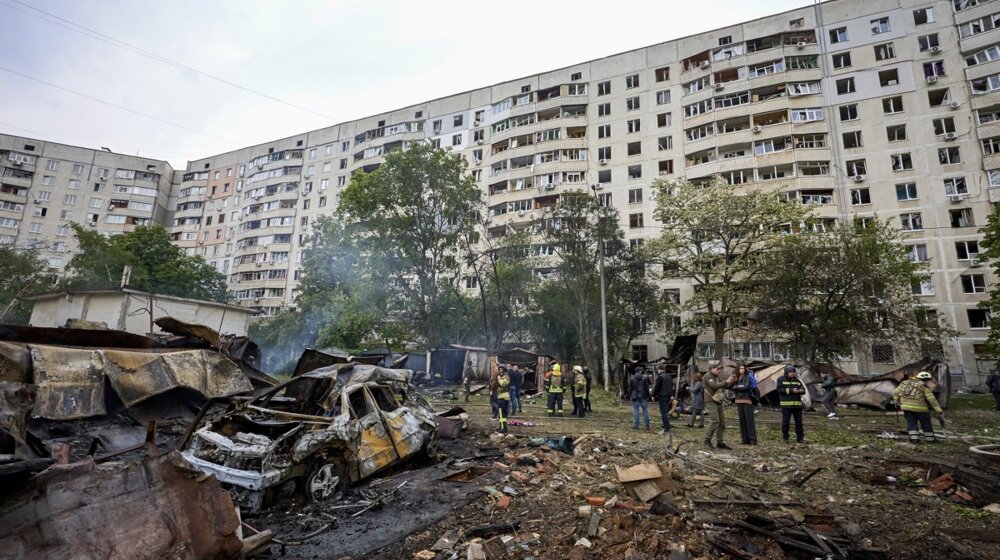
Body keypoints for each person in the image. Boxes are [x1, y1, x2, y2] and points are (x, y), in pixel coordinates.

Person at [893, 371, 944, 443]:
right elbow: (931, 399)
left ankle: (914, 440)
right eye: (927, 380)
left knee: (911, 423)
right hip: (921, 409)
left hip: (906, 408)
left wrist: (896, 401)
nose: (927, 382)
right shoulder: (924, 386)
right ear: (925, 379)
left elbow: (896, 392)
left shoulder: (904, 383)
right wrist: (939, 410)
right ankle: (930, 440)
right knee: (926, 423)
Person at [703, 364, 734, 449]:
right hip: (710, 400)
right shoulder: (707, 376)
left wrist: (731, 380)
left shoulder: (716, 376)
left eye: (720, 369)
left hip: (718, 400)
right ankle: (707, 440)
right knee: (715, 421)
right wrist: (726, 382)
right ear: (712, 369)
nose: (719, 370)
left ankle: (720, 442)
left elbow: (725, 385)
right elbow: (714, 386)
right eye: (717, 368)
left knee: (722, 423)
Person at [776, 365, 807, 443]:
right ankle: (785, 437)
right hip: (786, 405)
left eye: (793, 372)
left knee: (799, 422)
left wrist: (800, 391)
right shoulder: (781, 379)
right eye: (791, 372)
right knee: (786, 422)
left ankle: (800, 438)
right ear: (786, 373)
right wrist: (791, 390)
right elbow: (779, 390)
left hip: (797, 405)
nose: (792, 374)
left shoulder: (797, 380)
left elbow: (804, 390)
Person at [733, 364, 758, 445]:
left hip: (747, 399)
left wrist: (737, 387)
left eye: (743, 368)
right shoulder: (735, 377)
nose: (742, 370)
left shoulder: (747, 376)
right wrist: (738, 386)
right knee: (742, 420)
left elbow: (746, 387)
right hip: (738, 400)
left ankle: (752, 439)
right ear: (737, 369)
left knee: (749, 420)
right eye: (740, 368)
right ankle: (744, 439)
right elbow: (731, 387)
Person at [628, 366, 651, 430]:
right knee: (645, 411)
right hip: (643, 396)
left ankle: (636, 426)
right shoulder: (644, 378)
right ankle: (647, 426)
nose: (642, 371)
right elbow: (647, 388)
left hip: (635, 396)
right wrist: (648, 396)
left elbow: (630, 388)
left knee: (636, 411)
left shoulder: (632, 378)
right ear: (640, 371)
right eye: (641, 370)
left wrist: (629, 396)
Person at [652, 367, 675, 434]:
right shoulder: (669, 376)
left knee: (663, 412)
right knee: (665, 411)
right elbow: (672, 386)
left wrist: (653, 395)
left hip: (662, 396)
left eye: (658, 370)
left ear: (660, 370)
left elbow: (657, 387)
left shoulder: (660, 377)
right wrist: (671, 395)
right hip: (668, 396)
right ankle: (665, 424)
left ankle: (667, 427)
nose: (657, 371)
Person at [496, 368, 511, 433]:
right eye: (499, 369)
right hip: (502, 397)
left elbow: (503, 384)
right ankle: (503, 426)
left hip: (503, 398)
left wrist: (499, 378)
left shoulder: (505, 376)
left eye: (501, 369)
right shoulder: (504, 376)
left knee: (501, 414)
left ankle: (503, 428)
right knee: (503, 414)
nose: (500, 371)